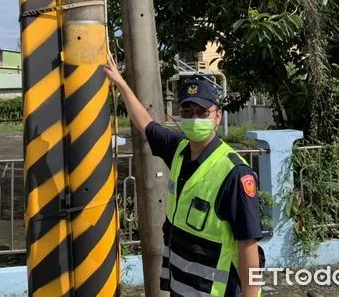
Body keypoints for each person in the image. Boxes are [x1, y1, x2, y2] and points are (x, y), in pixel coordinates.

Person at [104, 54, 264, 297]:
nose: (194, 119)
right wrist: (121, 83)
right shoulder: (178, 149)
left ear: (217, 116)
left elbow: (249, 247)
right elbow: (145, 123)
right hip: (182, 287)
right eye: (187, 112)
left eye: (202, 112)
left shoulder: (235, 173)